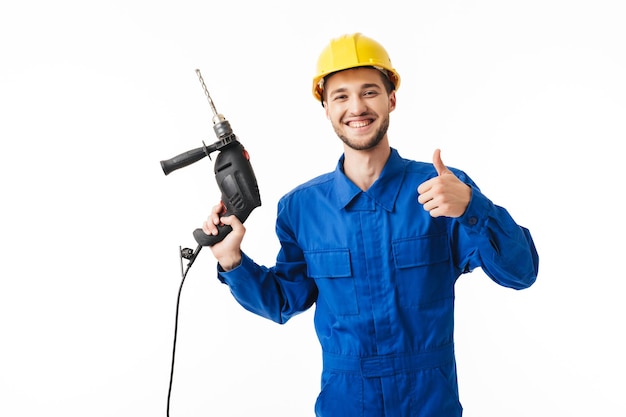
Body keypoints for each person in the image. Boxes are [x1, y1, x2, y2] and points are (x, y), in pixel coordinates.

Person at [201, 33, 539, 417]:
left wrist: (473, 208)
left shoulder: (443, 191)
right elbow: (284, 302)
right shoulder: (302, 208)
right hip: (346, 402)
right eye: (341, 96)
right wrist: (232, 261)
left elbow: (521, 272)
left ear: (391, 99)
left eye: (370, 92)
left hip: (430, 403)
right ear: (325, 107)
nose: (357, 107)